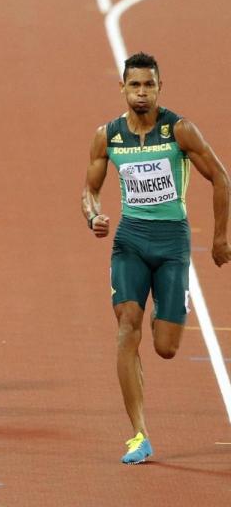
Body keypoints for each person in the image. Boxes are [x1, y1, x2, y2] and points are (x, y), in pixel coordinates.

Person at [82, 52, 230, 464]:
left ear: (160, 87)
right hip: (130, 241)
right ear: (122, 89)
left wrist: (220, 238)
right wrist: (93, 216)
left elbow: (221, 177)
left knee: (165, 346)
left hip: (171, 244)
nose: (142, 92)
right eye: (135, 85)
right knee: (126, 327)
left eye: (149, 85)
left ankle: (166, 307)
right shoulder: (107, 137)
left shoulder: (179, 130)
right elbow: (90, 189)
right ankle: (139, 434)